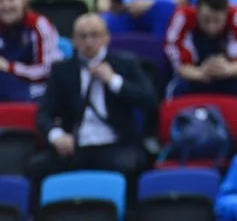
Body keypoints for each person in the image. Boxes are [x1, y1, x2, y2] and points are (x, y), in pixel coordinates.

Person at [28, 14, 158, 206]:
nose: (89, 42)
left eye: (95, 35)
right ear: (73, 40)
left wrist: (114, 81)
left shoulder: (125, 64)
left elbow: (149, 101)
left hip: (115, 144)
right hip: (75, 146)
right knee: (36, 167)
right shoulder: (62, 70)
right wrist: (56, 136)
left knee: (131, 166)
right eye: (83, 36)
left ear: (107, 37)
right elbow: (44, 113)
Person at [164, 0, 237, 97]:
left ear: (226, 13)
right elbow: (177, 60)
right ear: (196, 11)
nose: (211, 27)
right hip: (193, 74)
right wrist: (200, 74)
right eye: (206, 20)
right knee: (178, 88)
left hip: (229, 74)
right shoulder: (183, 17)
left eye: (217, 20)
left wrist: (227, 69)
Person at [0, 0, 60, 101]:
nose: (6, 6)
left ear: (23, 0)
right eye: (0, 0)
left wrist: (10, 67)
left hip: (36, 87)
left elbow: (46, 70)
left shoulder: (39, 24)